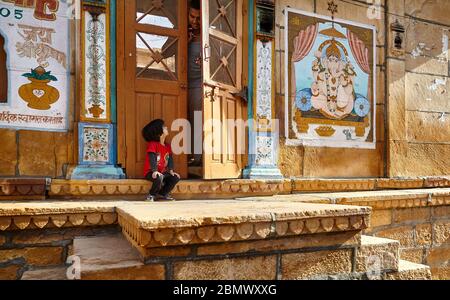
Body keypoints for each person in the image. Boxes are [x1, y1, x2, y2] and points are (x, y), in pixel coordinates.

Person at [142, 119, 181, 202]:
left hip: (162, 172)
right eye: (163, 127)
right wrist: (154, 171)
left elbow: (170, 159)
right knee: (159, 177)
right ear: (159, 133)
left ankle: (162, 194)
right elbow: (152, 158)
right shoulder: (153, 144)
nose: (166, 127)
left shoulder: (167, 146)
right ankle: (151, 195)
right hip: (151, 172)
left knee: (175, 178)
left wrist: (171, 170)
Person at [187, 0, 203, 167]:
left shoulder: (207, 37)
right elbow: (165, 51)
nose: (195, 21)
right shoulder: (182, 32)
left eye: (199, 18)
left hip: (198, 85)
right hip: (180, 83)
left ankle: (197, 159)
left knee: (196, 120)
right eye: (192, 16)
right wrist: (184, 40)